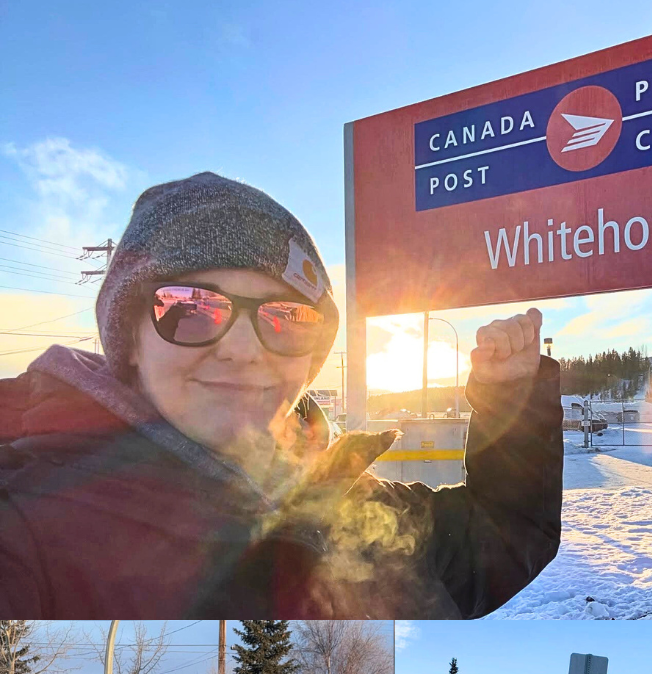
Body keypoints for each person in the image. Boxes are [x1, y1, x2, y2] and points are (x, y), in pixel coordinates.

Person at [0, 171, 562, 619]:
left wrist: (512, 398)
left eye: (287, 317)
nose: (244, 351)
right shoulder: (30, 526)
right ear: (131, 340)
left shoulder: (350, 500)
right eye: (192, 307)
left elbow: (502, 538)